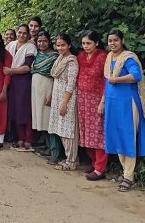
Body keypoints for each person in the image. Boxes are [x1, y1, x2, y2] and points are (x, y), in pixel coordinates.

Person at [103, 29, 145, 192]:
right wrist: (102, 102)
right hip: (112, 103)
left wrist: (117, 79)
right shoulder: (109, 57)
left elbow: (136, 76)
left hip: (127, 103)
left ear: (122, 41)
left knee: (127, 137)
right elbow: (107, 81)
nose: (112, 43)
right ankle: (125, 173)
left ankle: (129, 176)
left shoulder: (128, 57)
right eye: (110, 40)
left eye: (115, 40)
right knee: (117, 136)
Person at [77, 30, 109, 181]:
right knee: (85, 131)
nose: (86, 46)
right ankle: (93, 161)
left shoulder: (103, 57)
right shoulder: (81, 57)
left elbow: (106, 80)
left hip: (97, 99)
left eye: (89, 43)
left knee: (97, 133)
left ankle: (100, 168)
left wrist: (103, 101)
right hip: (82, 98)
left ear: (96, 43)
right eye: (83, 43)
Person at [49, 33, 79, 171]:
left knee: (68, 130)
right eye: (58, 45)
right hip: (57, 97)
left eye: (63, 45)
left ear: (69, 45)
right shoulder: (60, 58)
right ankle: (70, 158)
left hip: (67, 98)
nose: (60, 48)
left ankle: (71, 161)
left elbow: (71, 84)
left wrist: (64, 102)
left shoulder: (72, 61)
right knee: (60, 129)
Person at [5, 24, 38, 151]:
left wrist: (11, 70)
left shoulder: (30, 47)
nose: (22, 35)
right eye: (20, 32)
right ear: (16, 33)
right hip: (12, 81)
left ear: (28, 34)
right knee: (15, 109)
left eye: (25, 33)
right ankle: (20, 138)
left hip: (23, 81)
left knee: (25, 110)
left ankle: (28, 138)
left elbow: (27, 67)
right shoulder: (11, 45)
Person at [31, 31, 59, 161]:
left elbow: (55, 77)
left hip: (47, 88)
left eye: (44, 41)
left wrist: (51, 93)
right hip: (36, 90)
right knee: (41, 119)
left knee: (49, 120)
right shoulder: (39, 55)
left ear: (49, 42)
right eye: (39, 41)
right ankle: (48, 147)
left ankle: (55, 151)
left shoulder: (54, 56)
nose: (42, 44)